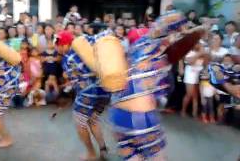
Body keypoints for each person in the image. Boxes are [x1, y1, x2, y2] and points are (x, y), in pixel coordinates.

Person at [103, 11, 205, 160]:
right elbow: (177, 24)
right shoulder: (155, 46)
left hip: (118, 114)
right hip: (141, 119)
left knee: (132, 156)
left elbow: (174, 34)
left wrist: (187, 32)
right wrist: (190, 29)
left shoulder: (140, 47)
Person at [60, 30, 110, 161]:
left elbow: (76, 80)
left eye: (58, 44)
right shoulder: (88, 43)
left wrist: (69, 83)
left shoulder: (67, 58)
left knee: (79, 121)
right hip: (105, 89)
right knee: (93, 118)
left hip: (89, 92)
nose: (57, 47)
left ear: (65, 44)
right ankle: (103, 148)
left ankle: (91, 154)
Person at [181, 43, 205, 118]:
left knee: (195, 95)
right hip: (190, 75)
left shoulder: (201, 54)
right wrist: (199, 54)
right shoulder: (189, 52)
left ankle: (194, 113)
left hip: (197, 75)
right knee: (189, 94)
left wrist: (201, 54)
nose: (199, 46)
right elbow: (190, 62)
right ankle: (183, 110)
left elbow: (203, 63)